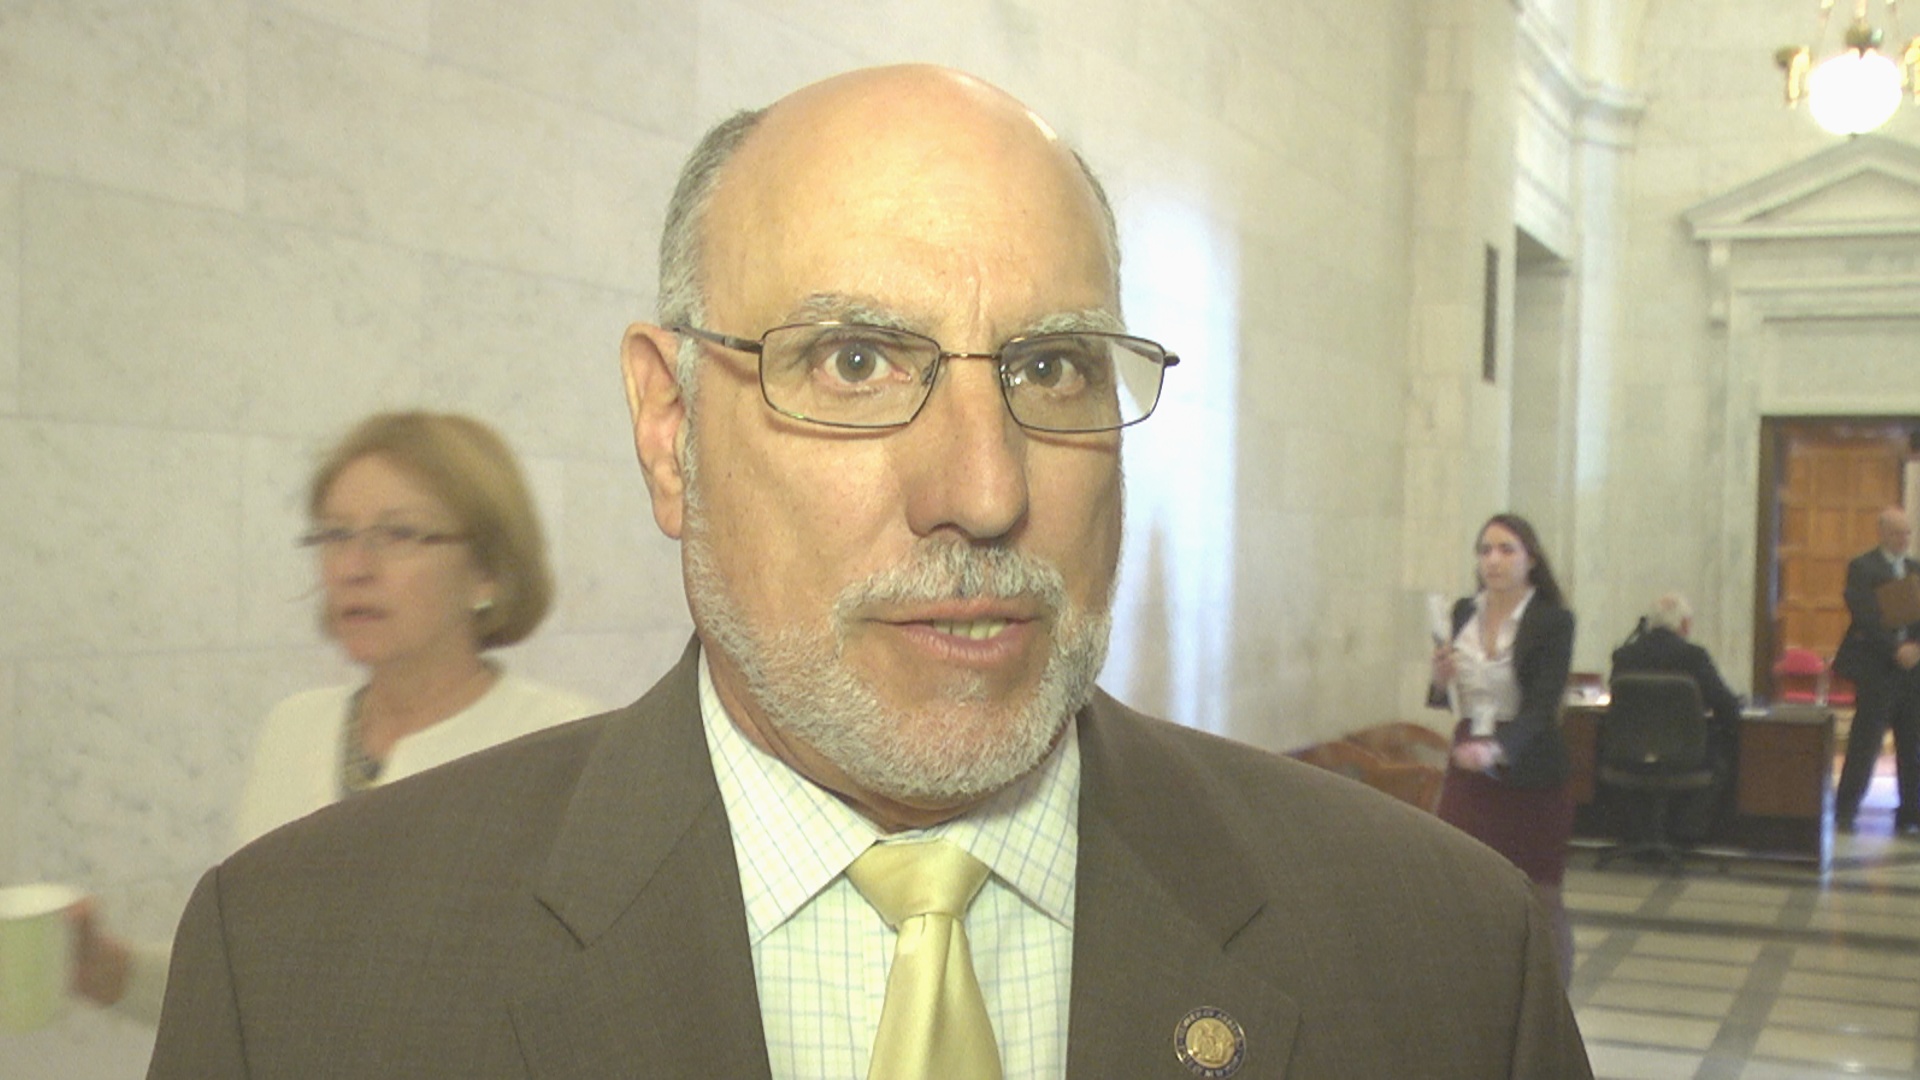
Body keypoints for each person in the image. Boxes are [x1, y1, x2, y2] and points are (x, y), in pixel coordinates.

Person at [148, 66, 1591, 1078]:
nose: (983, 489)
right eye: (854, 361)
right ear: (669, 430)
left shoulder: (1448, 962)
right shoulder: (299, 973)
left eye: (1051, 366)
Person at [70, 410, 601, 1023]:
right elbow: (250, 992)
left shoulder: (565, 747)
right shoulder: (294, 728)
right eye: (335, 535)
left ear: (487, 570)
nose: (353, 567)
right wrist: (108, 972)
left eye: (398, 534)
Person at [1428, 512, 1577, 984]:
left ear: (1530, 559)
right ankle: (1477, 984)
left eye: (1506, 549)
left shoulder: (1552, 621)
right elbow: (1449, 698)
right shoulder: (1462, 612)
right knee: (1459, 879)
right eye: (1485, 550)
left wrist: (1497, 750)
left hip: (1529, 766)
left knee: (1539, 894)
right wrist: (1439, 681)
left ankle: (1551, 995)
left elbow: (1543, 708)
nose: (1493, 560)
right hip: (1468, 760)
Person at [1608, 592, 1744, 842]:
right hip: (1687, 757)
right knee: (1724, 755)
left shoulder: (1624, 656)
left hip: (1630, 755)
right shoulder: (1693, 656)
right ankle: (1687, 834)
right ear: (1684, 625)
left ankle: (1636, 833)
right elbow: (1726, 706)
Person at [1832, 506, 1920, 835]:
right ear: (1882, 532)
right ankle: (1846, 810)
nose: (1903, 539)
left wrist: (1915, 648)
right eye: (1897, 533)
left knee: (1912, 745)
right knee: (1865, 743)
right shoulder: (1863, 567)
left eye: (1907, 533)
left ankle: (1910, 813)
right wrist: (1896, 648)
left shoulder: (1914, 568)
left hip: (1912, 672)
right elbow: (1865, 616)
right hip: (1878, 669)